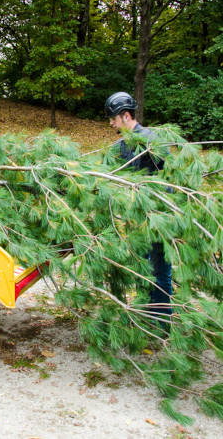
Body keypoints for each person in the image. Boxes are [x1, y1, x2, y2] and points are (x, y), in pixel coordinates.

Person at [104, 92, 173, 320]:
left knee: (160, 272)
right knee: (141, 269)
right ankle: (144, 318)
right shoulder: (120, 146)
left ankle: (161, 324)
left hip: (157, 217)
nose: (111, 123)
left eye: (113, 118)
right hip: (135, 219)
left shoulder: (151, 139)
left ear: (125, 116)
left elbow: (171, 176)